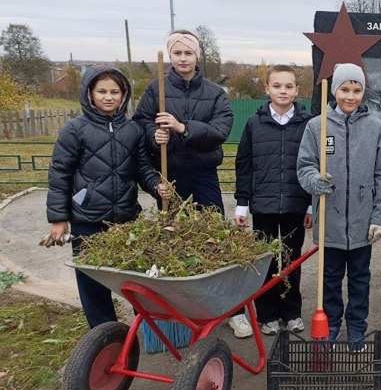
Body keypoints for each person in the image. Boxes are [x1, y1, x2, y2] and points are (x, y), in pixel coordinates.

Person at [46, 66, 165, 328]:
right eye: (102, 91)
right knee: (92, 281)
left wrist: (157, 185)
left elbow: (143, 168)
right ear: (89, 94)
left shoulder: (133, 130)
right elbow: (60, 174)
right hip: (87, 218)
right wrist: (58, 218)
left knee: (134, 276)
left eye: (115, 92)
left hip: (125, 218)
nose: (108, 97)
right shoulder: (75, 130)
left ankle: (143, 326)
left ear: (124, 96)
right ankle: (103, 333)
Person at [297, 63, 381, 353]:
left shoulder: (376, 128)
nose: (350, 96)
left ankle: (356, 329)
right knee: (329, 281)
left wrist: (380, 217)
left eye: (357, 90)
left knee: (360, 280)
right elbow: (305, 166)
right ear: (335, 90)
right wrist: (315, 180)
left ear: (363, 92)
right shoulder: (318, 126)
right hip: (331, 221)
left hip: (363, 223)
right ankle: (331, 325)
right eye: (345, 89)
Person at [234, 65, 313, 337]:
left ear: (297, 90)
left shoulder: (307, 123)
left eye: (288, 86)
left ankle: (291, 312)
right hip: (263, 206)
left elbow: (314, 164)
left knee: (291, 260)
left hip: (295, 205)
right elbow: (244, 165)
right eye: (277, 86)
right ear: (267, 89)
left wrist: (311, 204)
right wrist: (242, 203)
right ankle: (267, 313)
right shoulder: (255, 124)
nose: (283, 91)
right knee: (265, 261)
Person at [132, 29, 233, 212]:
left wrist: (183, 128)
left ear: (197, 56)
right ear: (170, 55)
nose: (183, 58)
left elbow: (220, 131)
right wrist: (154, 135)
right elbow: (141, 123)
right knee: (173, 228)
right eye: (177, 53)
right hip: (170, 172)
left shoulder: (215, 93)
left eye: (188, 53)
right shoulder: (156, 89)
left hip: (204, 172)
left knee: (211, 226)